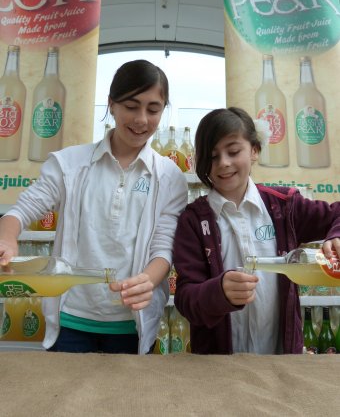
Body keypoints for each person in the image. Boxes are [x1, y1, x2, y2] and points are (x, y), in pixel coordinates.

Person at [0, 59, 188, 354]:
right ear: (111, 104)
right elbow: (23, 210)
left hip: (132, 324)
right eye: (131, 106)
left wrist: (146, 281)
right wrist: (7, 237)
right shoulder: (69, 164)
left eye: (153, 109)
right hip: (71, 320)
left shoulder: (169, 177)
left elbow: (163, 247)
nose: (141, 119)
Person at [173, 107, 340, 355]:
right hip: (217, 368)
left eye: (233, 151)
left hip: (281, 362)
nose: (224, 163)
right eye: (213, 156)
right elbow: (186, 299)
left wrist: (335, 235)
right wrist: (218, 293)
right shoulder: (193, 221)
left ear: (254, 150)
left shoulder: (284, 206)